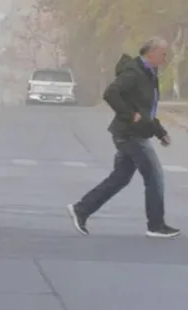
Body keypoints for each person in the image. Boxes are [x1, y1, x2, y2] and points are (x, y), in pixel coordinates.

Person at [67, 37, 180, 239]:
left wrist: (159, 132)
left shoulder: (149, 74)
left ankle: (81, 209)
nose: (165, 58)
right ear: (151, 53)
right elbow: (111, 93)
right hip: (130, 134)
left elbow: (146, 111)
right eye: (163, 54)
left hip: (133, 133)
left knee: (120, 178)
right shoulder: (134, 73)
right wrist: (129, 115)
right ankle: (155, 225)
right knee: (154, 177)